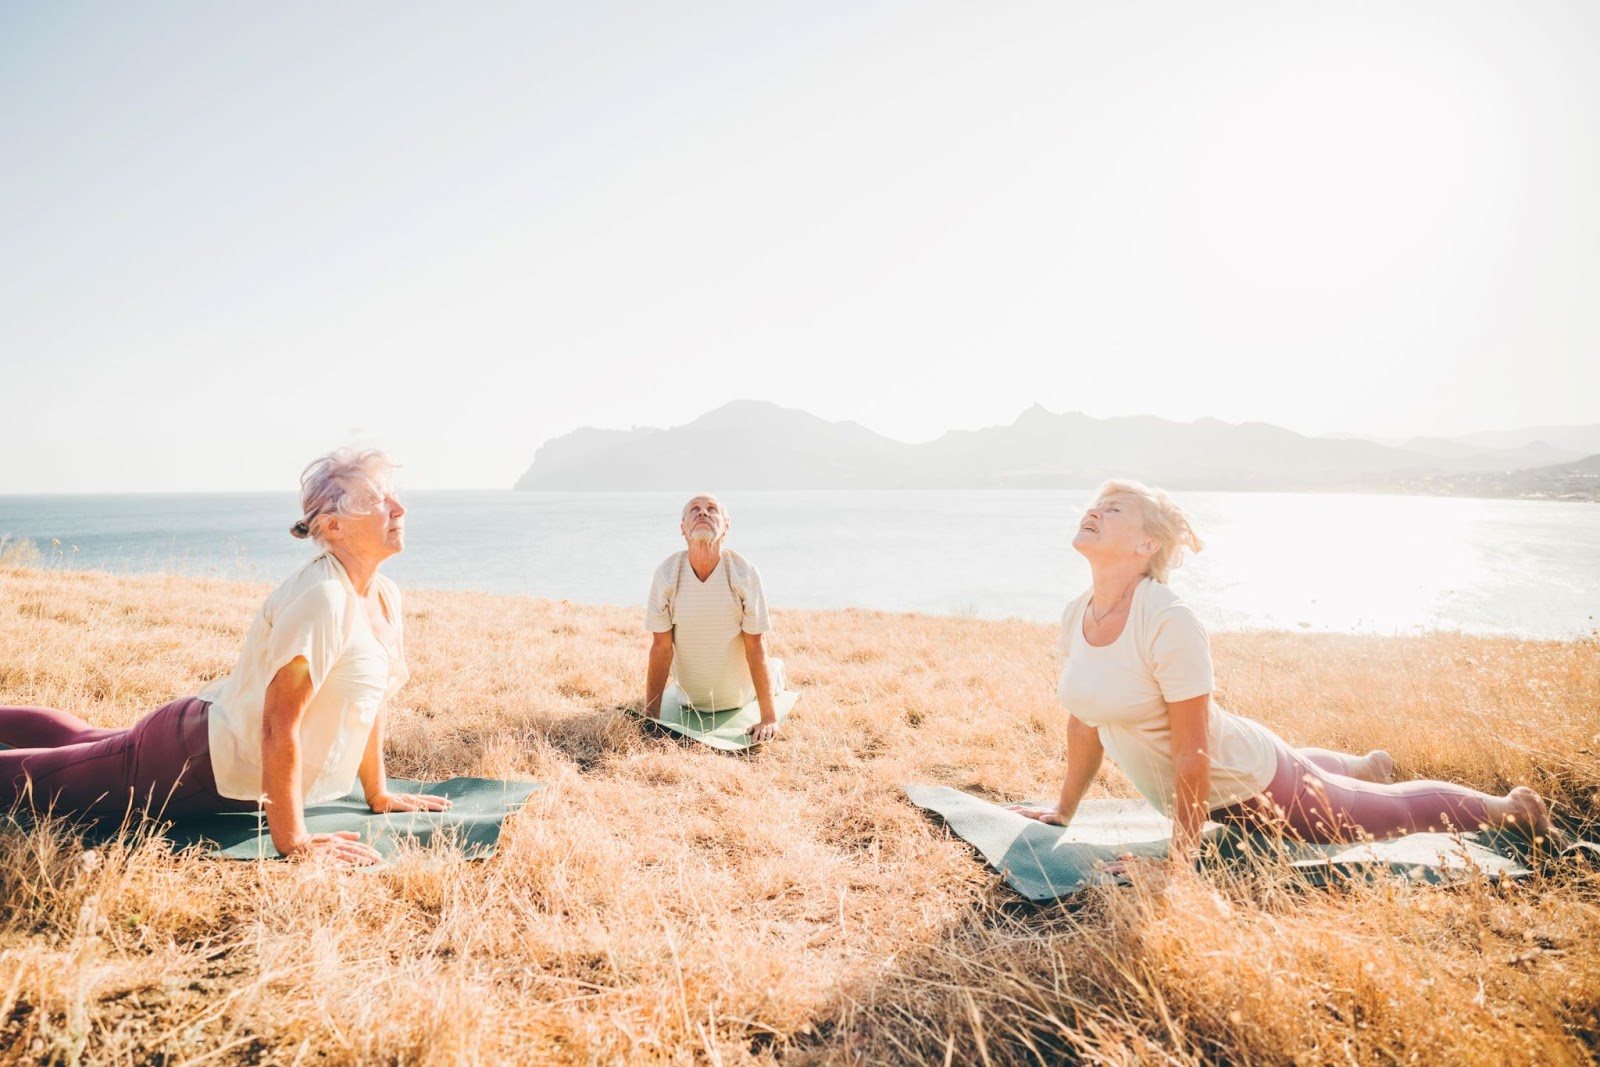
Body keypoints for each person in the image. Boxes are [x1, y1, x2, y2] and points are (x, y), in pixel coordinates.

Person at [1010, 479, 1558, 867]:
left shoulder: (1169, 621)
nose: (1096, 510)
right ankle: (1364, 765)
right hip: (1235, 764)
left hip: (1254, 783)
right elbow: (1084, 721)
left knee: (1393, 813)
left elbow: (1193, 753)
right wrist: (1063, 810)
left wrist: (1178, 861)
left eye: (1115, 508)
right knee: (1330, 778)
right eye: (1096, 503)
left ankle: (1511, 810)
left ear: (1145, 545)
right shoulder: (1076, 613)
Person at [1, 448, 449, 864]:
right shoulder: (325, 598)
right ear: (333, 526)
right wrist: (293, 841)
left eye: (394, 496)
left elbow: (367, 703)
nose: (398, 509)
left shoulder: (384, 596)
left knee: (83, 740)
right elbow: (279, 723)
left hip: (203, 732)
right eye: (376, 500)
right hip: (189, 763)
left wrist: (379, 792)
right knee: (30, 780)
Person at [644, 494, 785, 741]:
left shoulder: (745, 573)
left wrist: (769, 718)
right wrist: (650, 718)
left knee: (772, 669)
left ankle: (777, 669)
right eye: (694, 509)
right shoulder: (666, 574)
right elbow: (661, 647)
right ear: (683, 528)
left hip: (740, 695)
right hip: (689, 699)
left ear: (725, 528)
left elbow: (755, 646)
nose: (703, 513)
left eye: (712, 509)